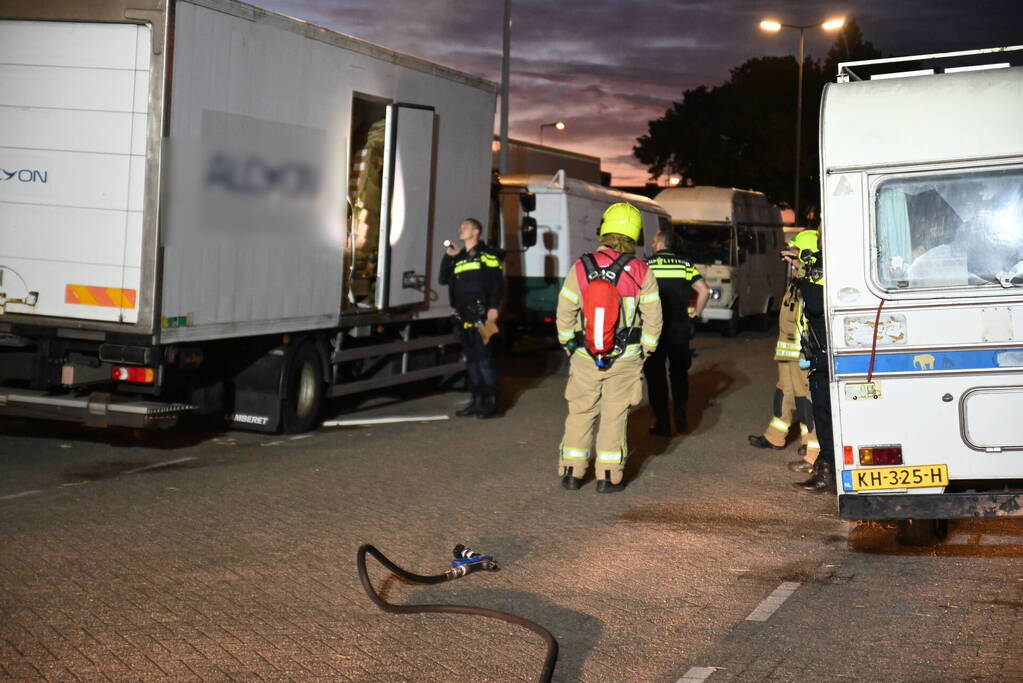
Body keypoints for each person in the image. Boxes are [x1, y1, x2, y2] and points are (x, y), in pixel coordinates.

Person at [555, 202, 662, 492]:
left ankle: (572, 472)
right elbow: (653, 318)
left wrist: (568, 342)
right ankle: (608, 477)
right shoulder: (641, 270)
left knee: (580, 412)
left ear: (604, 230)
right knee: (615, 415)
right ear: (635, 236)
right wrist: (646, 350)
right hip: (625, 357)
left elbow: (565, 310)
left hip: (585, 355)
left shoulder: (581, 266)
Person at [747, 243, 819, 472]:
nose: (788, 256)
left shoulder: (812, 281)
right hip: (788, 349)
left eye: (794, 251)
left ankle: (813, 449)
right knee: (784, 393)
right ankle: (775, 436)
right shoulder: (798, 279)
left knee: (805, 399)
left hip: (801, 351)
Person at [644, 229, 709, 435]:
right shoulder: (685, 265)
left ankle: (662, 423)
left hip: (653, 330)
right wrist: (695, 314)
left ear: (662, 243)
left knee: (655, 375)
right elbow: (704, 291)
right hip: (679, 329)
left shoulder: (646, 266)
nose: (652, 244)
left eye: (654, 241)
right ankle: (681, 420)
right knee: (679, 373)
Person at [786, 229, 836, 494]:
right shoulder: (836, 260)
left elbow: (815, 305)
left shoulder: (817, 268)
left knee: (824, 415)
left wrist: (806, 275)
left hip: (823, 355)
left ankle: (826, 472)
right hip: (830, 350)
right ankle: (827, 467)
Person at [438, 218, 504, 419]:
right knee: (472, 360)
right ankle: (476, 401)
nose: (461, 229)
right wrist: (449, 257)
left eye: (465, 226)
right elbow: (442, 279)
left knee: (483, 359)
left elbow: (496, 282)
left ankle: (490, 404)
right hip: (462, 315)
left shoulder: (487, 255)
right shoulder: (458, 258)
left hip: (481, 314)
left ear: (476, 231)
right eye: (460, 226)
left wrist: (494, 307)